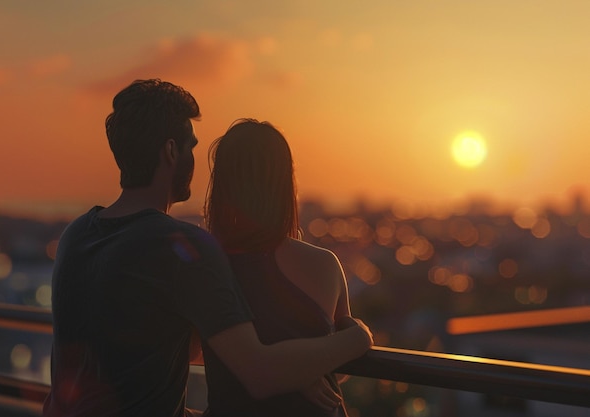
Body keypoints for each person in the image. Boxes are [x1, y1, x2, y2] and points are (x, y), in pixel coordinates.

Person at [42, 79, 373, 417]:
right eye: (191, 148)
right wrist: (356, 339)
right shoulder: (181, 247)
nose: (194, 161)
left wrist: (301, 365)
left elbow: (147, 345)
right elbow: (259, 373)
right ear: (171, 151)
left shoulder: (76, 235)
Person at [203, 119, 362, 417]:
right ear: (284, 183)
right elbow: (338, 368)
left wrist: (289, 372)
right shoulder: (322, 265)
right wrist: (360, 338)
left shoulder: (207, 269)